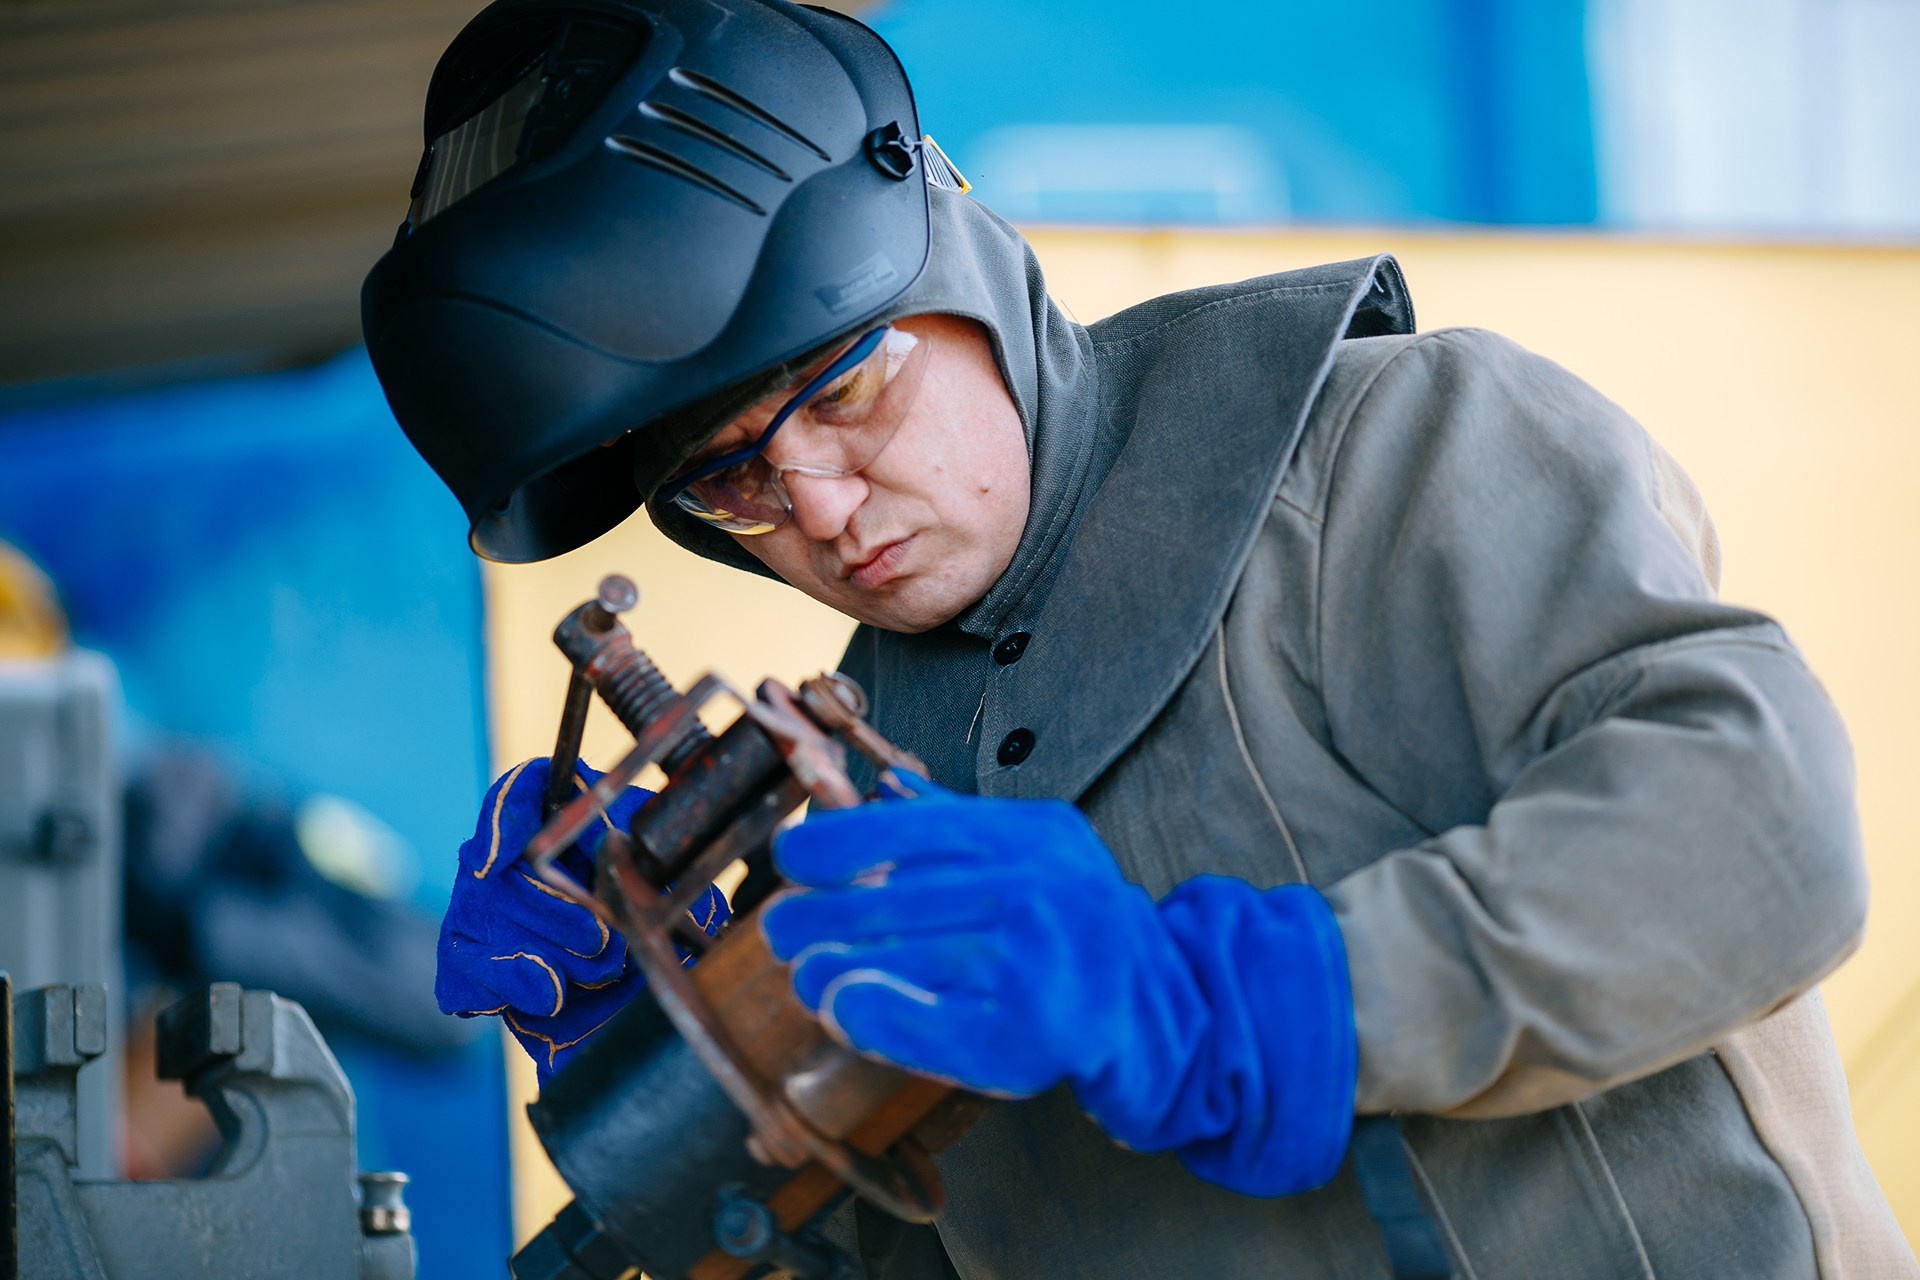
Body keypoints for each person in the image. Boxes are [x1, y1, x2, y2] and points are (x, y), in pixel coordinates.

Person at [363, 1, 1915, 1275]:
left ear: (951, 247)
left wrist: (1218, 1002)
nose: (819, 504)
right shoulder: (847, 815)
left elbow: (1761, 831)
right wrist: (692, 1097)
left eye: (843, 387)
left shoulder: (1392, 454)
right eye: (728, 477)